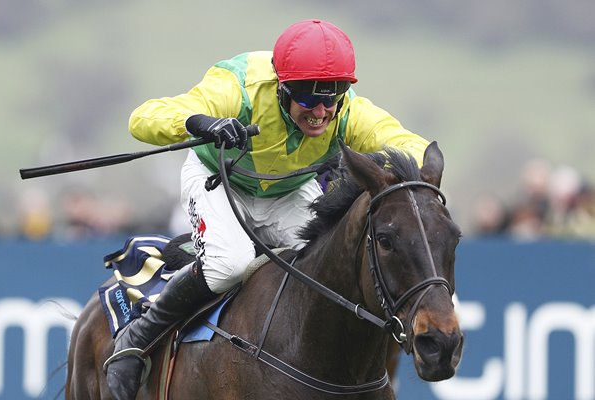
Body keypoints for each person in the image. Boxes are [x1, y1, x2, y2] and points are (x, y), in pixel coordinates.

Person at [104, 19, 430, 399]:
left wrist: (421, 175)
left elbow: (410, 145)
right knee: (230, 264)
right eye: (308, 97)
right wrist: (202, 122)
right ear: (282, 86)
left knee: (325, 270)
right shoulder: (237, 87)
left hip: (288, 191)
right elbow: (142, 118)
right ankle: (136, 339)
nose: (321, 111)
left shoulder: (348, 111)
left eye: (332, 96)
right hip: (220, 180)